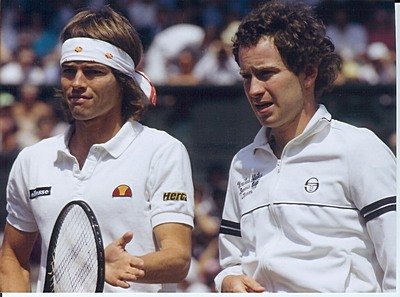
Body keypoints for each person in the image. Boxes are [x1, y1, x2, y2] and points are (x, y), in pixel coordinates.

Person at [0, 6, 194, 292]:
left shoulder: (163, 151)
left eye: (92, 72)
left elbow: (177, 259)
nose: (77, 83)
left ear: (123, 82)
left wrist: (114, 267)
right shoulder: (32, 159)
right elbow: (13, 256)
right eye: (69, 71)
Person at [214, 1, 396, 293]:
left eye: (266, 73)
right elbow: (231, 261)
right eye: (246, 76)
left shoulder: (359, 148)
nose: (254, 90)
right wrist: (228, 280)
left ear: (309, 74)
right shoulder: (242, 163)